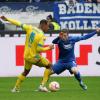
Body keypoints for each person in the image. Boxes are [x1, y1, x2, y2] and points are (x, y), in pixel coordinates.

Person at [0, 16, 54, 92]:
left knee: (26, 71)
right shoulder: (41, 35)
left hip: (26, 56)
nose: (48, 28)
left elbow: (18, 23)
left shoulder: (30, 28)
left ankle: (15, 88)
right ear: (43, 25)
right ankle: (42, 86)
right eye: (47, 26)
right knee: (49, 66)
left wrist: (7, 19)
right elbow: (39, 49)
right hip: (34, 57)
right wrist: (49, 48)